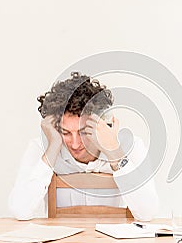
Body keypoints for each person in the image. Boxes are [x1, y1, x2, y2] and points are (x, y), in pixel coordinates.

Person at [9, 72, 159, 221]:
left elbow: (147, 213)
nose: (75, 144)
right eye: (65, 132)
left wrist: (114, 152)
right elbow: (20, 210)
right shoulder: (42, 148)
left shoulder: (131, 147)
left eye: (83, 132)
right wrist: (54, 146)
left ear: (100, 123)